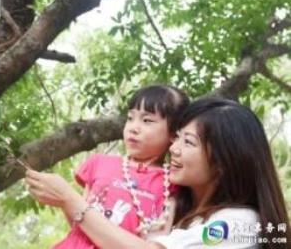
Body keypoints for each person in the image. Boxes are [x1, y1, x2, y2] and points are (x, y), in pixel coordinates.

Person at [26, 97, 290, 249]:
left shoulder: (241, 224)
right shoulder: (175, 212)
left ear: (223, 161)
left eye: (188, 142)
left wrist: (71, 200)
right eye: (177, 138)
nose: (173, 149)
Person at [49, 85, 190, 248]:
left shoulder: (173, 182)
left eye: (147, 121)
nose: (133, 128)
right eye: (130, 118)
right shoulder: (99, 163)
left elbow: (159, 239)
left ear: (174, 134)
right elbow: (77, 216)